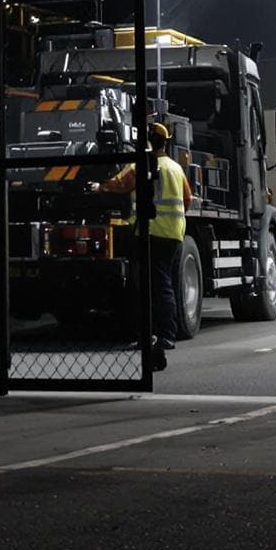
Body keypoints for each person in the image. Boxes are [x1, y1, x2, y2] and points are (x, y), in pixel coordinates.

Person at [90, 118, 188, 370]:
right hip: (174, 234)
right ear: (165, 143)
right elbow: (187, 199)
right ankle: (165, 333)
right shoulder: (176, 168)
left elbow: (121, 184)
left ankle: (159, 334)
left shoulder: (142, 164)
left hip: (151, 232)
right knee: (164, 284)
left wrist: (99, 187)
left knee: (149, 286)